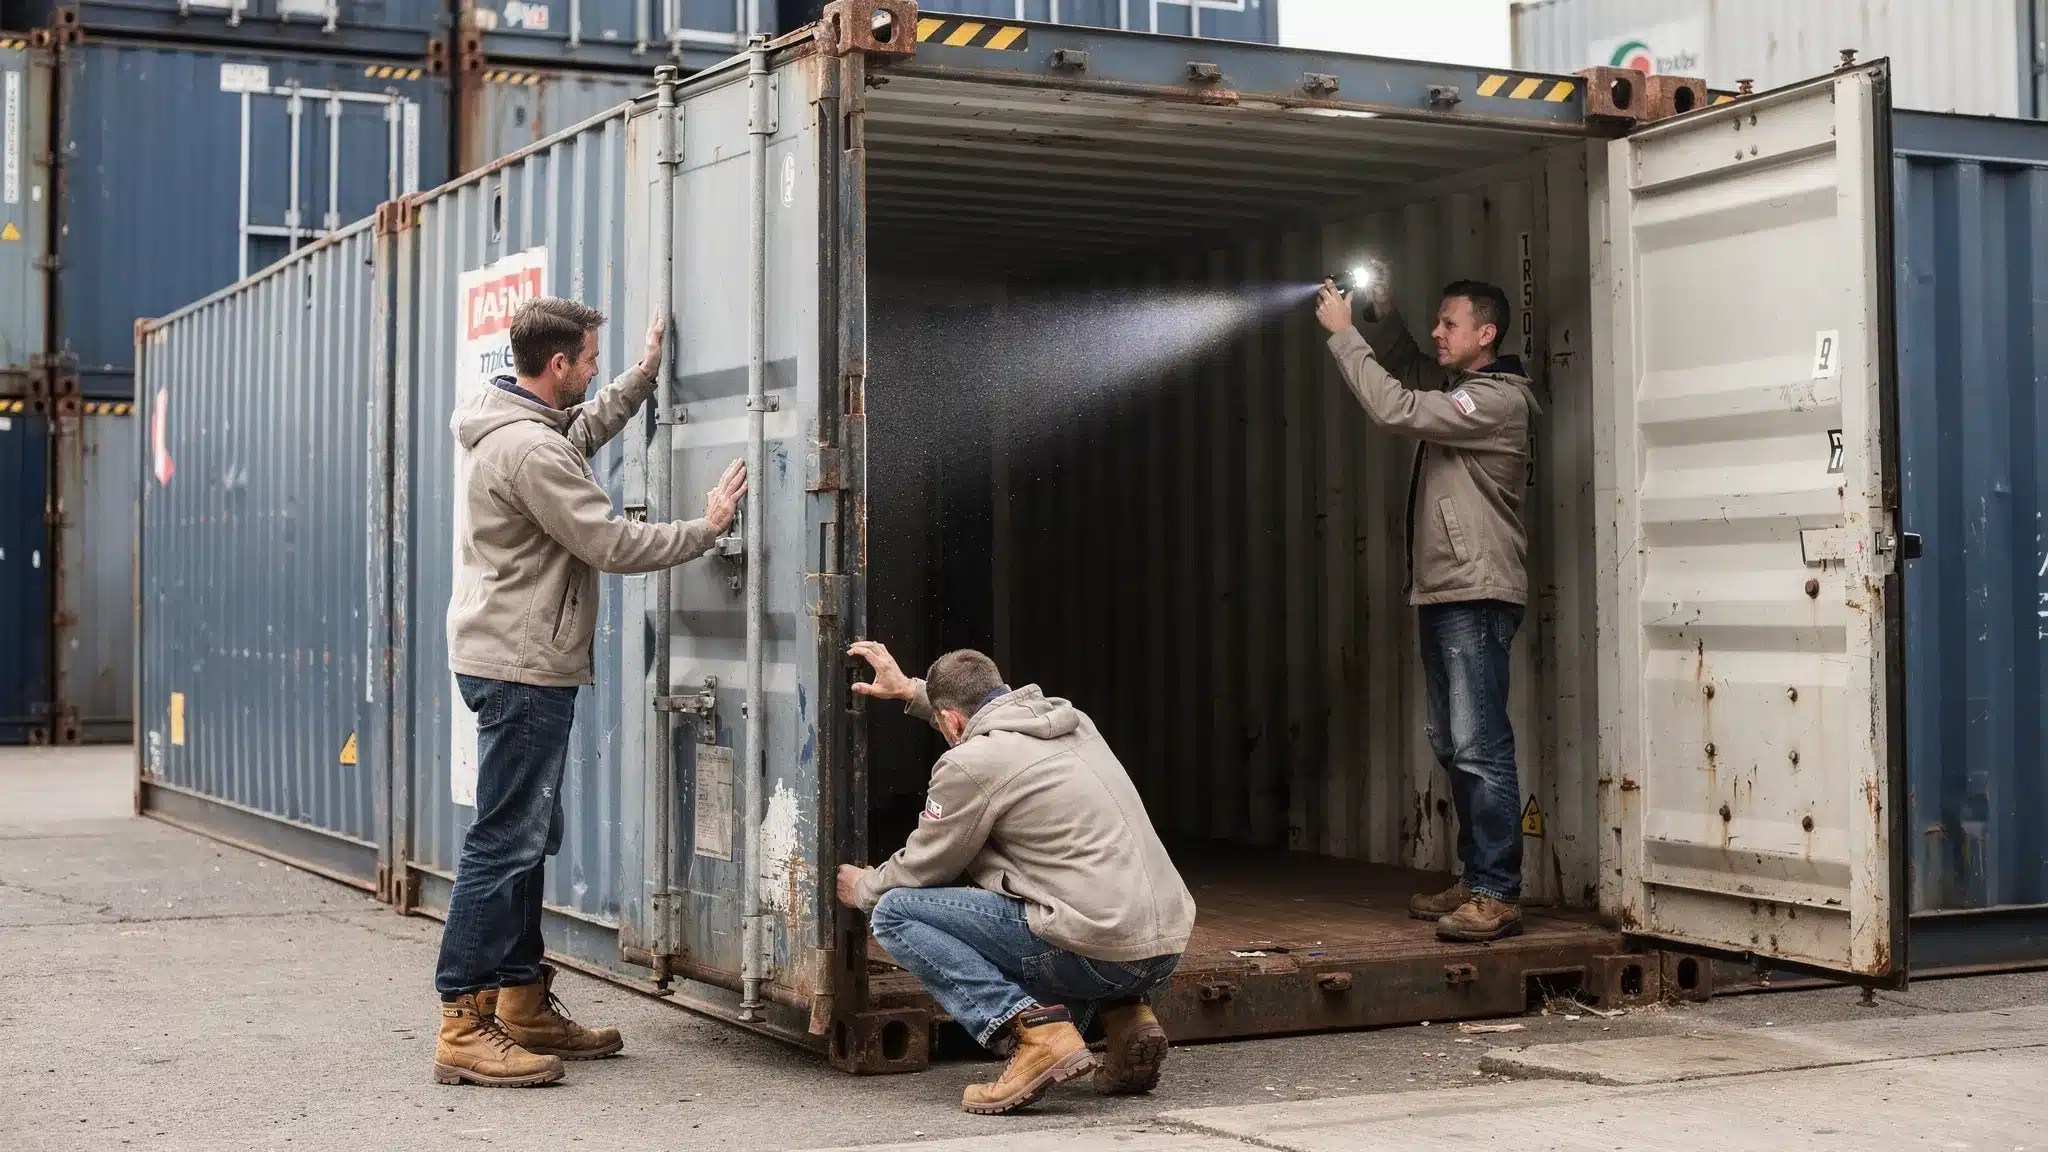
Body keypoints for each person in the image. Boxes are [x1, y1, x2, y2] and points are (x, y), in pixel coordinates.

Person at [432, 297, 748, 1088]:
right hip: (522, 665)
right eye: (591, 359)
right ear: (558, 364)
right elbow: (606, 541)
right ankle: (462, 1022)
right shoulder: (530, 453)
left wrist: (642, 379)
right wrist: (706, 527)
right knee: (504, 841)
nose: (597, 368)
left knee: (526, 836)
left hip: (506, 653)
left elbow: (576, 433)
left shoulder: (512, 420)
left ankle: (522, 1000)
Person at [838, 642, 1195, 1116]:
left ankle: (1036, 1034)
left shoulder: (969, 764)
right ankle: (1127, 1015)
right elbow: (983, 718)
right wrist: (913, 692)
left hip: (1096, 950)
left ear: (953, 723)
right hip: (1161, 948)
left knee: (895, 911)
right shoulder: (1073, 724)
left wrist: (863, 886)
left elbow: (928, 865)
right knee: (1076, 885)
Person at [1316, 272, 1541, 944]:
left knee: (1478, 745)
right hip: (1447, 590)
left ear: (1486, 334)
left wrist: (1344, 337)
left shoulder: (1498, 401)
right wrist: (1381, 315)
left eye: (1450, 324)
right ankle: (1477, 880)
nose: (1439, 333)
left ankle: (1497, 893)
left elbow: (1400, 408)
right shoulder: (1467, 391)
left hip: (1476, 591)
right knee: (1451, 742)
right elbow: (1413, 371)